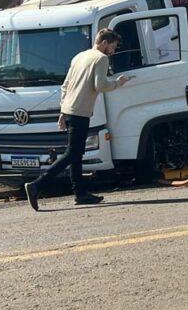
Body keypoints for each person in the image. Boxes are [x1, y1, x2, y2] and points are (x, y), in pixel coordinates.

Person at [25, 29, 130, 211]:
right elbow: (100, 85)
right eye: (112, 47)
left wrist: (63, 111)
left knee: (76, 153)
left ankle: (80, 193)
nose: (113, 52)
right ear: (104, 43)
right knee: (73, 153)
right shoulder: (101, 59)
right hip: (81, 111)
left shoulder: (80, 56)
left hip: (70, 109)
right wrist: (118, 83)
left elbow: (66, 85)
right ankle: (37, 185)